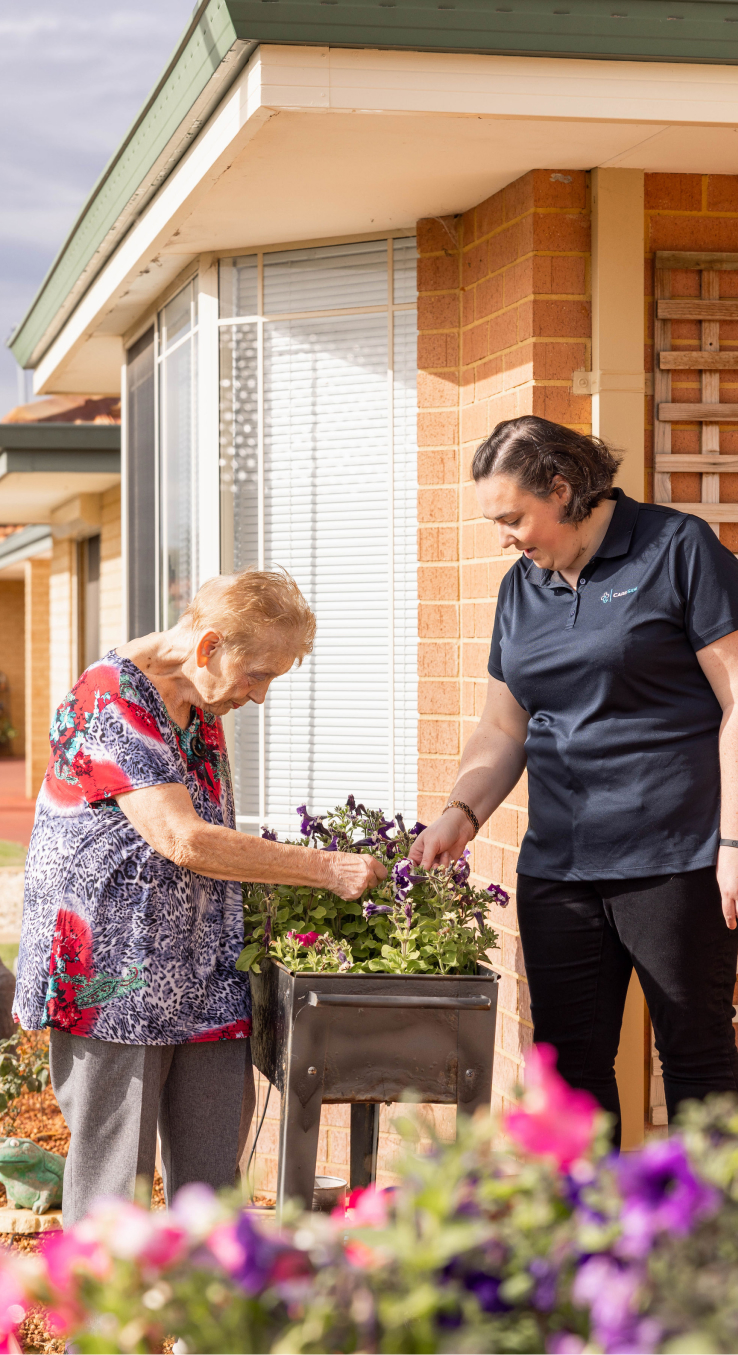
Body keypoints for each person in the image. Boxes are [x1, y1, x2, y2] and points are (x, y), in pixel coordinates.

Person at [14, 568, 386, 1225]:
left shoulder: (202, 703)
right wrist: (325, 868)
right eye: (258, 674)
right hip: (113, 982)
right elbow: (181, 838)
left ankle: (211, 1329)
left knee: (212, 1190)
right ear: (208, 646)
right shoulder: (110, 697)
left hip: (205, 976)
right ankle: (101, 1333)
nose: (261, 695)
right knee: (112, 1196)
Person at [411, 414, 738, 1143]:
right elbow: (503, 727)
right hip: (560, 867)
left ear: (562, 488)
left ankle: (708, 1247)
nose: (504, 536)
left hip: (676, 856)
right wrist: (460, 814)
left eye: (513, 517)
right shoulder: (519, 590)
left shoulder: (676, 548)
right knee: (569, 1070)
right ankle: (589, 1247)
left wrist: (736, 843)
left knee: (696, 1057)